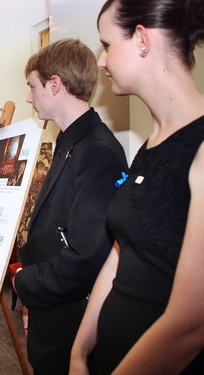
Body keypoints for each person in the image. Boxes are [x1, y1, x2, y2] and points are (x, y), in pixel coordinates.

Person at [70, 1, 204, 374]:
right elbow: (121, 251)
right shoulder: (149, 146)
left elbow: (191, 324)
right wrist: (79, 353)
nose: (100, 60)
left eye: (107, 44)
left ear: (142, 39)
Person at [11, 38, 128, 375]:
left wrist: (26, 284)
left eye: (32, 86)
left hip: (73, 322)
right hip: (53, 310)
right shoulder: (69, 142)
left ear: (55, 84)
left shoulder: (99, 151)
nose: (28, 96)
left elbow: (87, 255)